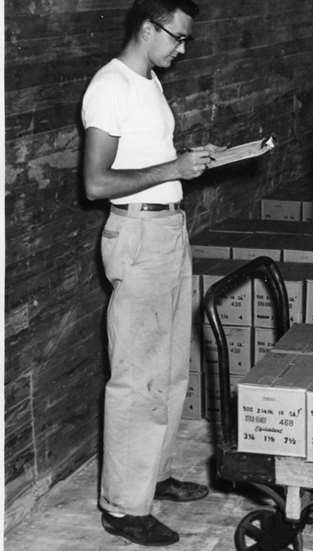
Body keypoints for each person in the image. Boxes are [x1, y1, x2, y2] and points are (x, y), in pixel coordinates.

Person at [81, 0, 220, 546]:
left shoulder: (149, 83)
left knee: (168, 367)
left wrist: (189, 163)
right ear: (147, 28)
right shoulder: (110, 86)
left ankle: (152, 476)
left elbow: (150, 159)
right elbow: (95, 182)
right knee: (136, 376)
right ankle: (121, 506)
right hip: (137, 234)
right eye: (177, 39)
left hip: (167, 229)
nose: (181, 50)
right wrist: (173, 169)